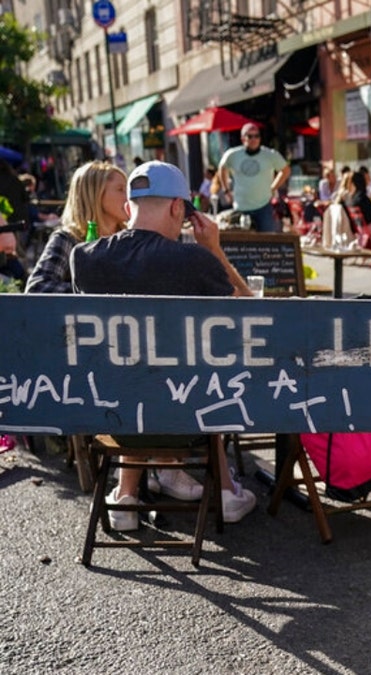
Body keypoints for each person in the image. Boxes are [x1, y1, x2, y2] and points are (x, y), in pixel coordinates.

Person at [71, 160, 256, 528]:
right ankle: (226, 492)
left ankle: (125, 497)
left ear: (128, 209)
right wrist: (214, 250)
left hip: (111, 414)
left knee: (133, 373)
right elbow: (253, 315)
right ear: (177, 208)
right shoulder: (194, 260)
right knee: (202, 372)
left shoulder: (85, 259)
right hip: (188, 416)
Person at [25, 161, 127, 294]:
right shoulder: (68, 239)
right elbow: (37, 289)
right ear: (94, 194)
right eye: (121, 189)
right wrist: (87, 293)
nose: (129, 196)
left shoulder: (130, 238)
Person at [213, 123, 291, 233]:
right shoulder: (233, 154)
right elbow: (222, 168)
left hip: (263, 206)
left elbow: (285, 170)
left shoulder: (270, 154)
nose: (254, 139)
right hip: (241, 206)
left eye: (257, 136)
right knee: (242, 243)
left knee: (267, 242)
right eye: (250, 136)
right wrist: (226, 190)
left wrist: (273, 187)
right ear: (243, 138)